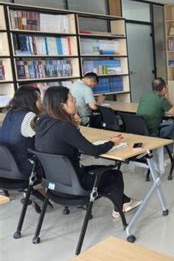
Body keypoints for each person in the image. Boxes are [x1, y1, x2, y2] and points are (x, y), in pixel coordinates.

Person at [35, 86, 141, 218]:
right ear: (62, 105)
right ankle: (120, 207)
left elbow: (67, 142)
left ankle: (125, 201)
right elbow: (94, 150)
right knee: (115, 175)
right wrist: (113, 142)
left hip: (54, 186)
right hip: (75, 186)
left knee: (99, 170)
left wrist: (76, 126)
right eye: (72, 100)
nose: (75, 102)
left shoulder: (42, 123)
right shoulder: (64, 127)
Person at [0, 86, 42, 179]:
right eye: (39, 98)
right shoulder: (29, 117)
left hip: (5, 167)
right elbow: (44, 138)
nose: (41, 101)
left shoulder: (10, 113)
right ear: (30, 101)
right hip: (23, 167)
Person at [137, 78, 174, 151]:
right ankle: (167, 152)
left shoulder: (144, 96)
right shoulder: (161, 99)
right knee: (173, 123)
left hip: (140, 130)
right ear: (164, 88)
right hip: (152, 132)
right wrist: (168, 99)